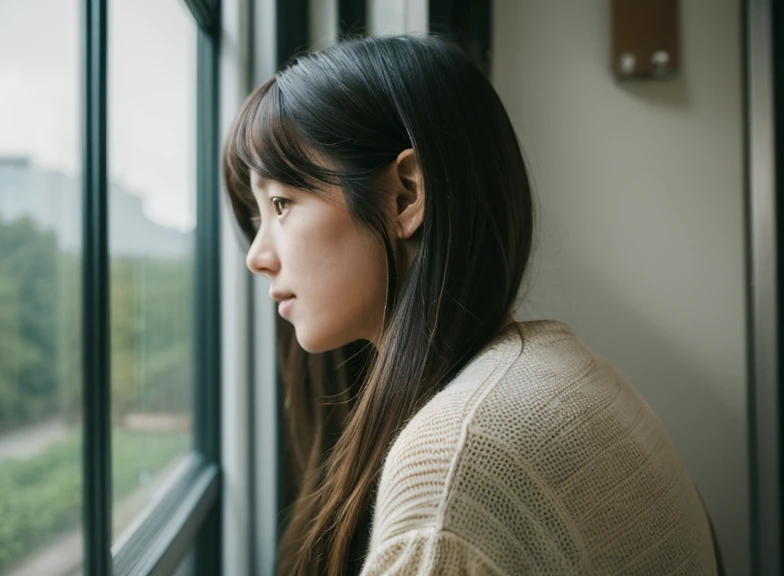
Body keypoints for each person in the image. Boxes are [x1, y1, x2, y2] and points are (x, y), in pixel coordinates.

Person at [222, 35, 721, 576]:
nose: (257, 256)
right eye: (258, 216)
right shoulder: (562, 376)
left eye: (281, 203)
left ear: (406, 196)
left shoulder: (456, 464)